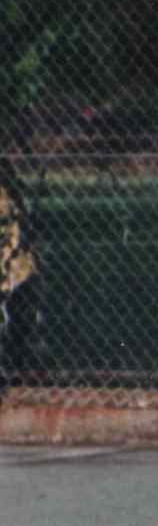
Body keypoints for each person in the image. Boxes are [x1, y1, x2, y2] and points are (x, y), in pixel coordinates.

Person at [0, 157, 41, 375]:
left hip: (13, 260)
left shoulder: (11, 198)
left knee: (20, 312)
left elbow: (22, 229)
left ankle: (10, 364)